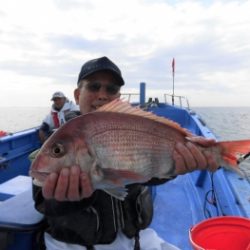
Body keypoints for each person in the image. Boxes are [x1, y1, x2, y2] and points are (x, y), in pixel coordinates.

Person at [32, 56, 218, 250]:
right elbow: (42, 201)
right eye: (94, 87)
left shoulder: (128, 127)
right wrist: (66, 199)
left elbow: (146, 175)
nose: (102, 95)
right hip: (75, 244)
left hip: (136, 238)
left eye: (111, 89)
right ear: (78, 95)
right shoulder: (60, 137)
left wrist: (174, 168)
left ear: (118, 98)